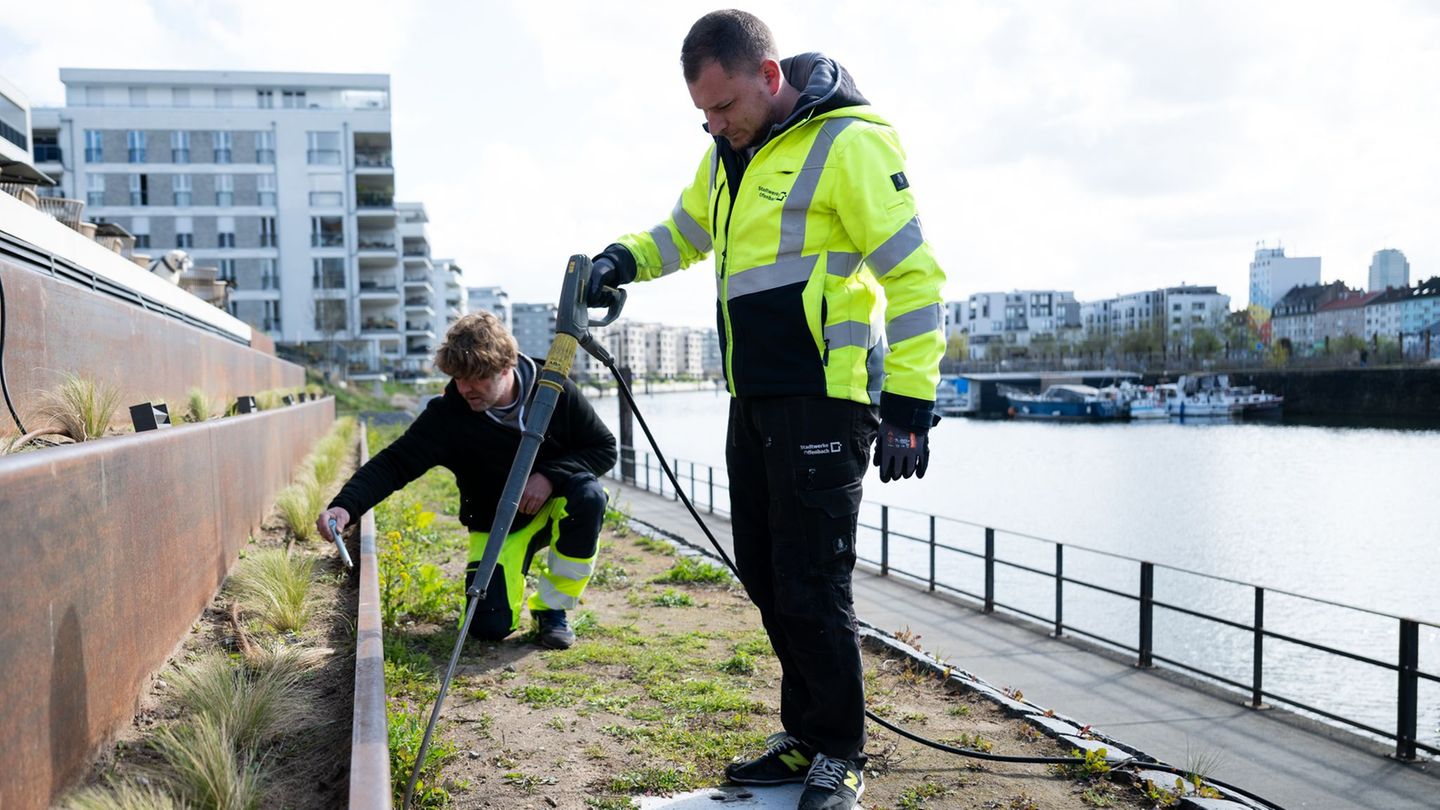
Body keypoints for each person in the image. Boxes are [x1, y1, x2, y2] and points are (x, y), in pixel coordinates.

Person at [585, 10, 946, 810]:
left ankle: (841, 752)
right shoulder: (726, 156)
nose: (715, 124)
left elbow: (917, 277)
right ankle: (808, 734)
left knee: (815, 581)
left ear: (768, 76)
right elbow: (683, 232)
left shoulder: (850, 143)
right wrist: (620, 259)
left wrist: (912, 403)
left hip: (826, 399)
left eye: (724, 107)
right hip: (753, 400)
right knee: (767, 572)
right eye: (703, 114)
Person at [317, 312, 617, 650]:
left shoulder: (555, 389)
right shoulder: (448, 415)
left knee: (589, 496)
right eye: (458, 378)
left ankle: (552, 608)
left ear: (507, 366)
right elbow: (394, 463)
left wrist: (549, 476)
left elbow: (604, 448)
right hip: (497, 523)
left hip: (555, 506)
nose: (465, 389)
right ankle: (502, 594)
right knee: (487, 627)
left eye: (477, 378)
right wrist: (345, 506)